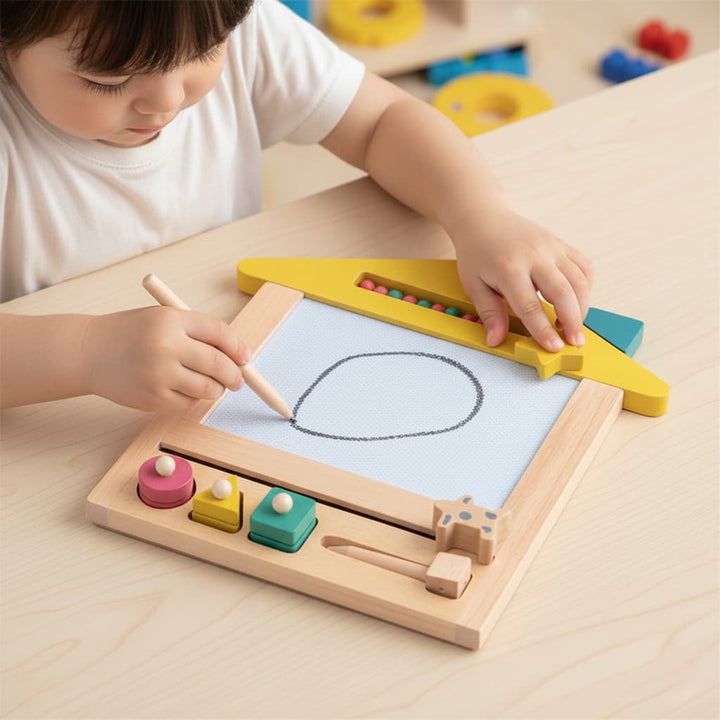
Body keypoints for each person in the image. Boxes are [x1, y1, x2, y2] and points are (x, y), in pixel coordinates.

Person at [0, 0, 592, 412]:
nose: (167, 98)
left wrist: (479, 214)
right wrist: (84, 354)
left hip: (224, 344)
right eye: (108, 80)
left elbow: (383, 120)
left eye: (206, 51)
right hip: (53, 412)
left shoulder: (244, 27)